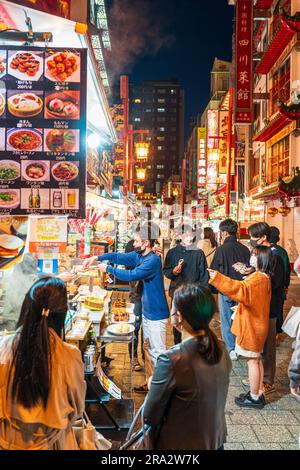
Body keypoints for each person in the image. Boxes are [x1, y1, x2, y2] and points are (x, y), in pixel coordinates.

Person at [0, 277, 86, 450]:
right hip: (54, 443)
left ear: (27, 308)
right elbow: (77, 409)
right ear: (62, 313)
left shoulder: (4, 347)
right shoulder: (70, 356)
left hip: (8, 441)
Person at [83, 222, 169, 394]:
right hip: (148, 311)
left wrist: (107, 268)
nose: (134, 244)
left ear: (146, 243)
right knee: (150, 351)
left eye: (137, 241)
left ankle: (162, 393)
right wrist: (98, 258)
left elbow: (131, 274)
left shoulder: (152, 260)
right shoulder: (140, 255)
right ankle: (151, 384)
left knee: (158, 355)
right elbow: (119, 257)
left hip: (156, 314)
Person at [143, 284, 231, 450]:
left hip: (181, 444)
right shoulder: (221, 347)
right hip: (215, 440)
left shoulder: (171, 359)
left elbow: (150, 416)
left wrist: (151, 384)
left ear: (179, 316)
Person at [209, 246, 273, 409]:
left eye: (254, 255)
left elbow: (240, 290)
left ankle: (254, 397)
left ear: (262, 259)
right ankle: (257, 392)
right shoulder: (263, 276)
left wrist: (217, 277)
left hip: (252, 326)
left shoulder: (258, 278)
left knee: (252, 361)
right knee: (256, 359)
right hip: (257, 324)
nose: (251, 257)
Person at [247, 222, 285, 395]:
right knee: (259, 345)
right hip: (260, 306)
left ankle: (268, 380)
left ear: (263, 237)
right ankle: (259, 376)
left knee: (268, 346)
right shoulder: (264, 253)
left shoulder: (275, 256)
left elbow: (276, 283)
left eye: (254, 236)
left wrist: (258, 278)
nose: (251, 239)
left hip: (269, 307)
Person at [210, 219, 250, 360]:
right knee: (240, 318)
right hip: (241, 289)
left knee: (226, 319)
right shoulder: (245, 249)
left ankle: (231, 348)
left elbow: (214, 270)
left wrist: (214, 289)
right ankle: (240, 345)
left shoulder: (221, 250)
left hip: (226, 290)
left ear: (225, 232)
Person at [163, 225, 209, 345]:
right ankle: (178, 348)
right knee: (177, 324)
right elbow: (166, 271)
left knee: (193, 325)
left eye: (191, 234)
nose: (189, 237)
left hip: (194, 295)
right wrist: (173, 272)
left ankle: (193, 351)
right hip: (177, 294)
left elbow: (204, 276)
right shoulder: (172, 253)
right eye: (186, 234)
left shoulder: (198, 253)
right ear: (180, 235)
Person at [125, 239, 144, 371]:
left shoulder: (152, 247)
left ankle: (145, 355)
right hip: (136, 292)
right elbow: (127, 267)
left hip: (149, 295)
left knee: (147, 327)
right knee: (135, 325)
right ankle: (134, 358)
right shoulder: (131, 244)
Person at [269, 226, 291, 334]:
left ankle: (271, 334)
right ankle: (278, 333)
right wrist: (286, 285)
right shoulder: (282, 251)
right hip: (281, 285)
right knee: (279, 309)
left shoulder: (267, 250)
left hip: (270, 285)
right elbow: (287, 269)